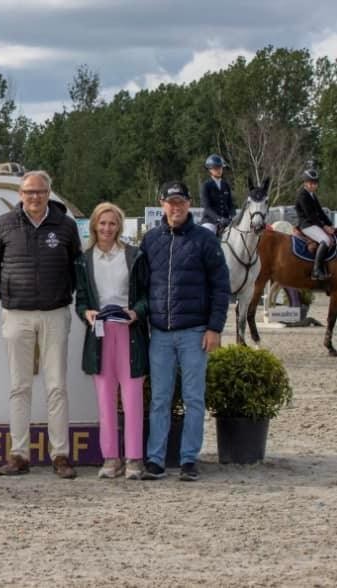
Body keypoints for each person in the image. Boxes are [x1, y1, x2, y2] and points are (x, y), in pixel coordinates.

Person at [0, 170, 82, 479]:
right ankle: (19, 454)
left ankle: (60, 455)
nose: (35, 197)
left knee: (57, 387)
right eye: (29, 192)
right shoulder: (2, 225)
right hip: (17, 315)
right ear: (20, 195)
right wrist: (11, 296)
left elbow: (76, 266)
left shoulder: (65, 226)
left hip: (55, 314)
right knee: (19, 386)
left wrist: (61, 294)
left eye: (40, 192)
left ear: (49, 193)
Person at [140, 181, 230, 482]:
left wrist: (214, 328)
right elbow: (140, 286)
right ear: (161, 203)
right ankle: (155, 460)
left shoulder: (205, 240)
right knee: (159, 400)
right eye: (170, 202)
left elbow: (220, 286)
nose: (175, 207)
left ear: (189, 204)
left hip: (194, 333)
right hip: (160, 335)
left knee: (194, 399)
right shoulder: (150, 240)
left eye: (180, 202)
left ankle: (189, 459)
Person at [74, 202, 149, 480]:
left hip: (129, 333)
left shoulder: (134, 256)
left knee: (132, 398)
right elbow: (81, 298)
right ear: (94, 225)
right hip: (100, 334)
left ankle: (134, 458)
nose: (107, 228)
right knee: (105, 399)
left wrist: (135, 312)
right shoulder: (84, 260)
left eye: (112, 223)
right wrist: (87, 313)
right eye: (102, 223)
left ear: (119, 226)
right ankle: (110, 457)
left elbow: (145, 297)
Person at [295, 168, 334, 280]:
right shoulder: (303, 195)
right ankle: (316, 271)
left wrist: (330, 224)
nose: (313, 185)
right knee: (326, 240)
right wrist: (324, 227)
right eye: (310, 183)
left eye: (315, 183)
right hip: (306, 225)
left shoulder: (312, 194)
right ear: (305, 183)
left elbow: (320, 212)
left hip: (313, 224)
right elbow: (311, 215)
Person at [200, 154, 235, 236]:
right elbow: (207, 208)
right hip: (210, 222)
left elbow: (231, 205)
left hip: (226, 221)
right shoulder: (206, 186)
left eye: (220, 168)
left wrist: (232, 216)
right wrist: (219, 219)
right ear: (210, 170)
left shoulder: (226, 185)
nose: (219, 170)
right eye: (216, 168)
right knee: (207, 235)